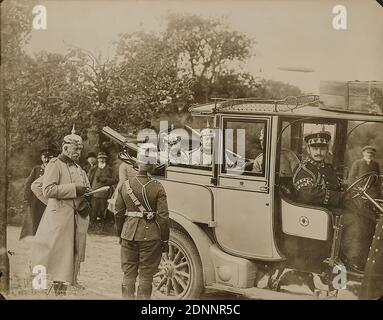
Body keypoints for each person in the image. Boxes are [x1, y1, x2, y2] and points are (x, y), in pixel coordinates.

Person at [292, 130, 372, 273]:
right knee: (354, 220)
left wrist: (352, 191)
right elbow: (309, 196)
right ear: (308, 149)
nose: (318, 152)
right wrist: (342, 197)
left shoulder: (326, 168)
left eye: (322, 148)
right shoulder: (303, 170)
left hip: (329, 210)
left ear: (327, 149)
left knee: (368, 215)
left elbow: (338, 185)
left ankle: (368, 259)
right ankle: (354, 261)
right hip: (314, 214)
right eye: (315, 148)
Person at [31, 126, 91, 295]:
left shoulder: (80, 169)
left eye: (80, 149)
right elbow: (46, 190)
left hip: (75, 220)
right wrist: (54, 205)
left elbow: (83, 191)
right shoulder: (55, 164)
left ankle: (61, 291)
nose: (78, 152)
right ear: (65, 148)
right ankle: (39, 290)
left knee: (66, 259)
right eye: (75, 148)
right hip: (58, 221)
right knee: (48, 255)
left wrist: (85, 197)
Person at [115, 143, 170, 299]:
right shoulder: (158, 187)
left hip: (128, 234)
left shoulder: (125, 186)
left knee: (128, 273)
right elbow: (163, 217)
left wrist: (120, 234)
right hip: (151, 237)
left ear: (136, 163)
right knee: (146, 275)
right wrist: (164, 240)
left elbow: (118, 213)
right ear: (153, 166)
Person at [19, 149, 54, 240]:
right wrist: (26, 197)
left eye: (49, 158)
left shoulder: (54, 169)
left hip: (47, 198)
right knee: (34, 218)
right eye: (44, 157)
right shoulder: (37, 169)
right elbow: (29, 183)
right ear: (41, 158)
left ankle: (45, 238)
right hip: (35, 199)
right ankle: (33, 237)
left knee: (47, 218)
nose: (47, 160)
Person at [88, 152, 118, 226]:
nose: (102, 160)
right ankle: (93, 224)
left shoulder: (109, 169)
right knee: (94, 209)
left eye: (103, 158)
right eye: (100, 158)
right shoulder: (93, 169)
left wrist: (105, 180)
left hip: (106, 193)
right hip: (95, 192)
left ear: (105, 159)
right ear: (97, 159)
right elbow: (88, 180)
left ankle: (104, 224)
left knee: (104, 209)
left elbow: (115, 180)